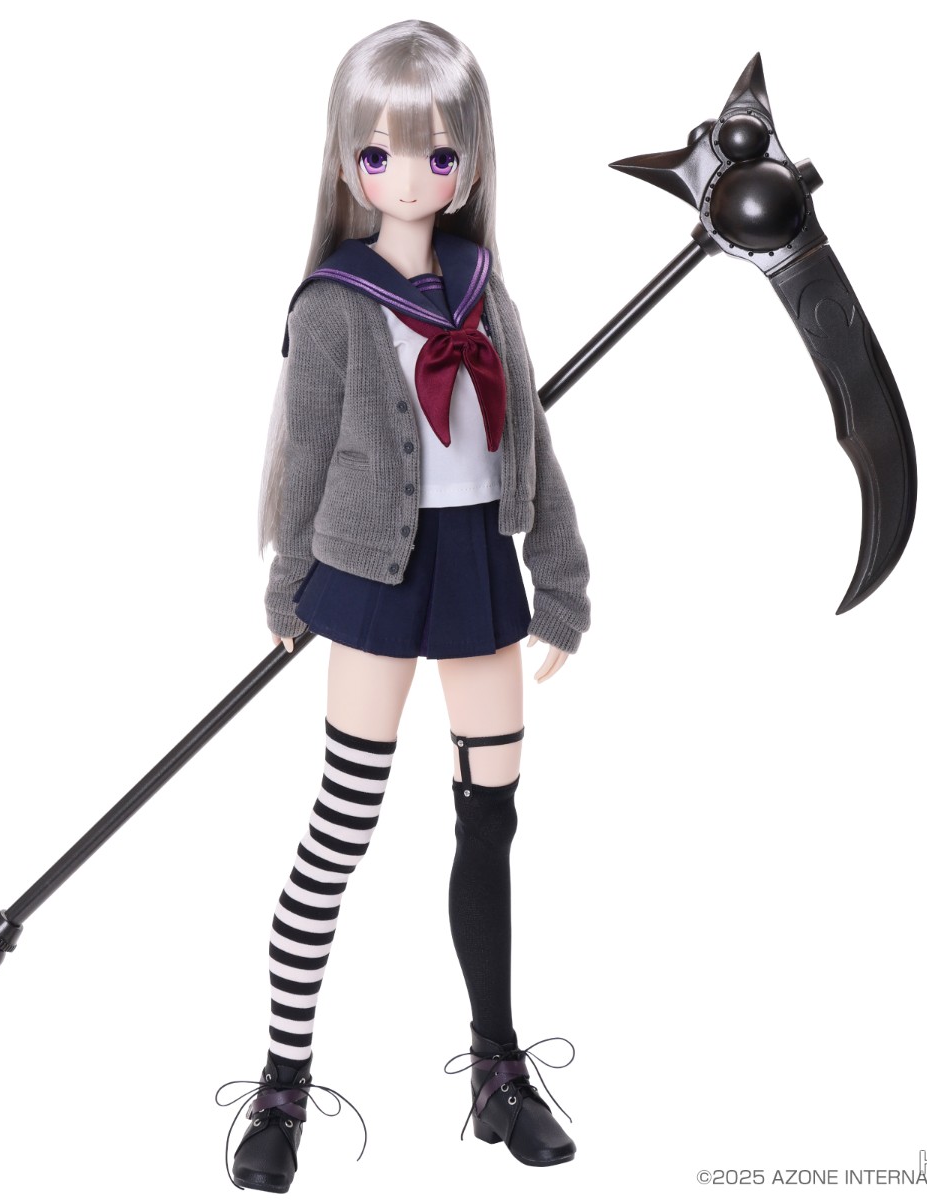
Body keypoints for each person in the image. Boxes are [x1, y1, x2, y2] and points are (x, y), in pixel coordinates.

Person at [218, 20, 590, 1192]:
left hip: (478, 566)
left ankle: (497, 1069)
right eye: (380, 154)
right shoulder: (334, 303)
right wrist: (287, 580)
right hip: (372, 574)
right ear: (348, 164)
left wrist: (563, 582)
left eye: (439, 153)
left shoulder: (484, 288)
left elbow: (534, 440)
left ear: (470, 162)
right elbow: (307, 449)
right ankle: (283, 1078)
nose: (412, 177)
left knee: (492, 824)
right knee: (341, 826)